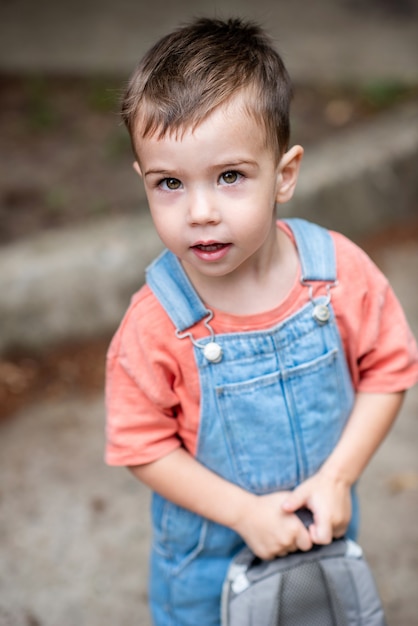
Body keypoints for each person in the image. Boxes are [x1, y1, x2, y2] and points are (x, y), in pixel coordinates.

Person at [105, 17, 418, 626]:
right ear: (143, 181)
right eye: (169, 183)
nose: (199, 212)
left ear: (285, 174)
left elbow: (390, 368)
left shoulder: (337, 275)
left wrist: (338, 478)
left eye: (229, 176)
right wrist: (243, 514)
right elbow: (140, 445)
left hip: (319, 527)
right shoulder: (155, 324)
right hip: (206, 564)